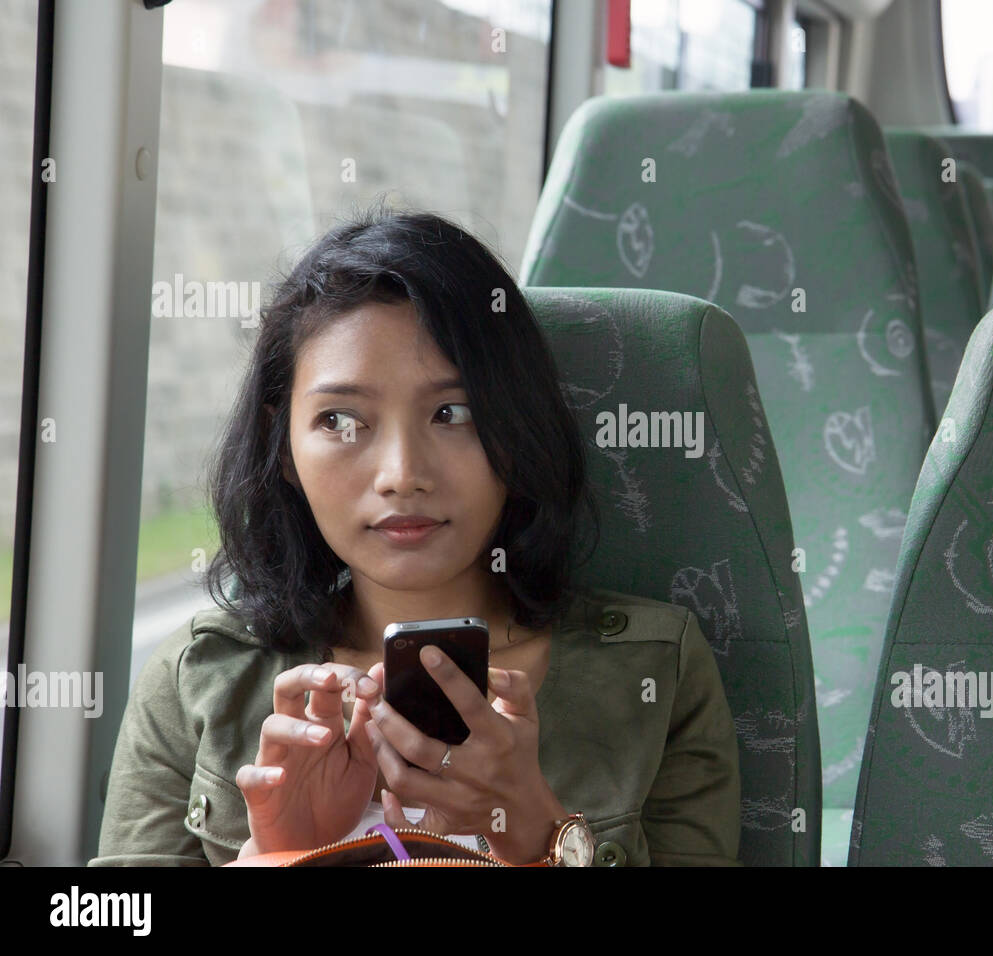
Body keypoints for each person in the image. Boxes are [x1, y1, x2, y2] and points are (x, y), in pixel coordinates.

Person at [89, 209, 741, 867]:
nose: (402, 475)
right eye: (342, 420)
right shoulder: (196, 680)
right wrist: (278, 857)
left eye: (451, 413)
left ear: (516, 429)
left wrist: (542, 835)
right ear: (283, 447)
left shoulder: (656, 670)